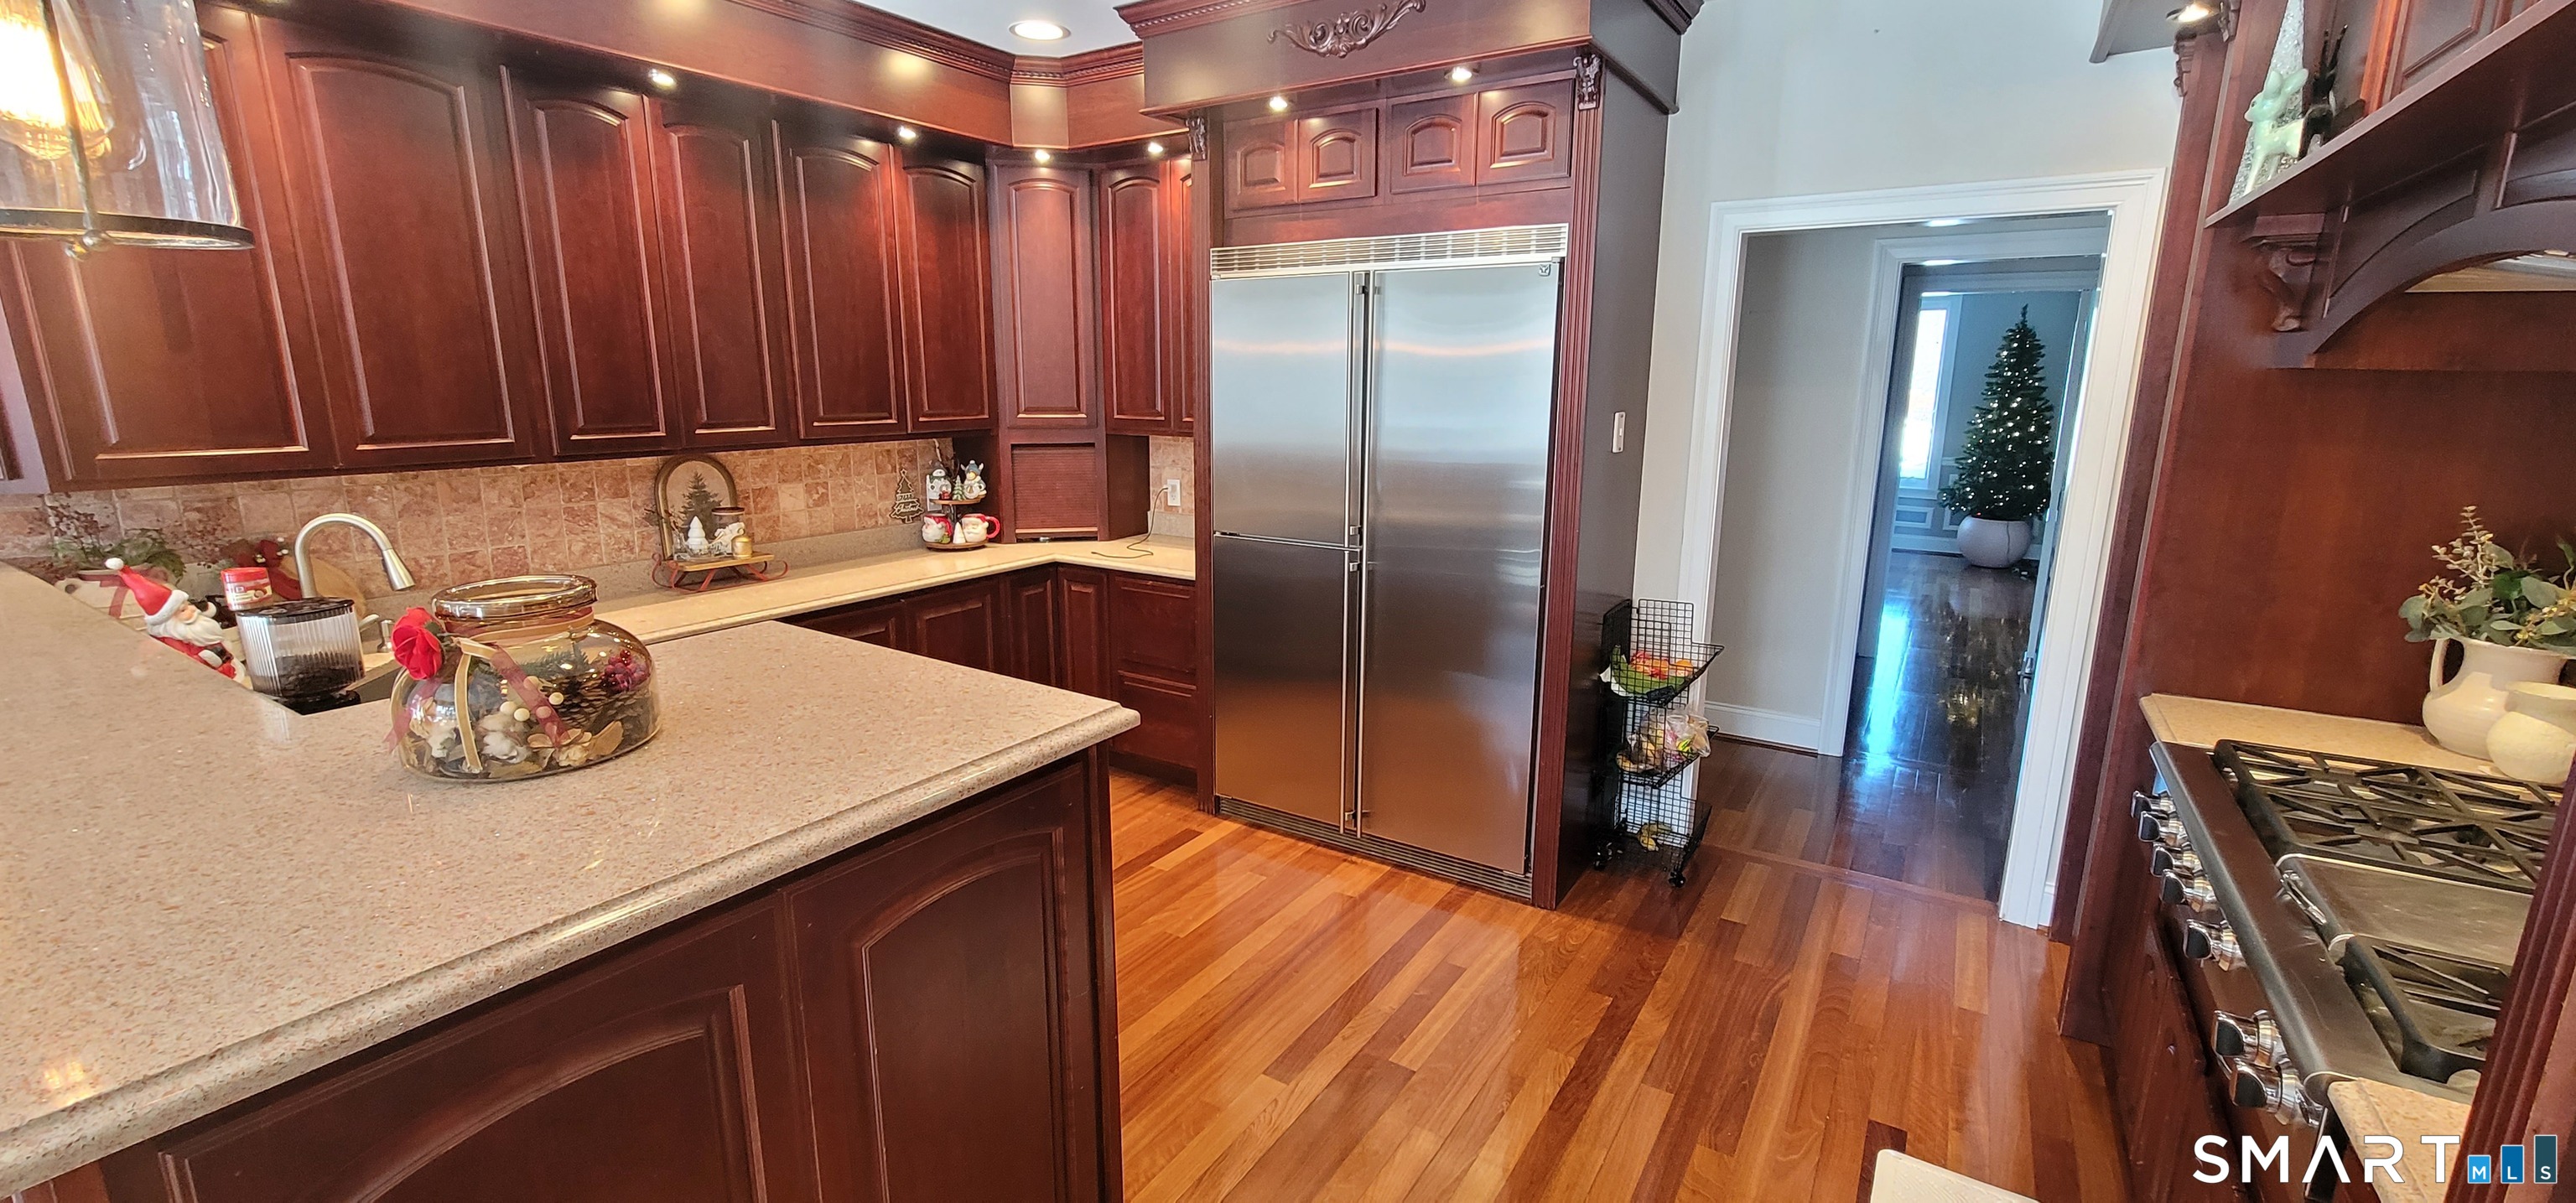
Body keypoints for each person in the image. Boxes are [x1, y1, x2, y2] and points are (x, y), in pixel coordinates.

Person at [106, 557, 237, 678]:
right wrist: (203, 660)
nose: (193, 610)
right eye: (183, 610)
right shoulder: (164, 645)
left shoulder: (199, 634)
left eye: (189, 605)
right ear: (168, 622)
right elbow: (177, 668)